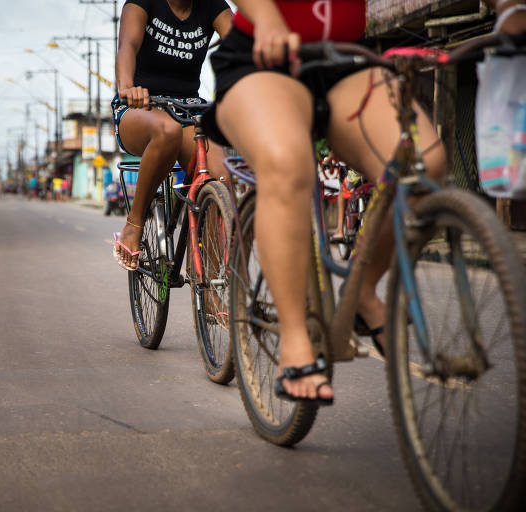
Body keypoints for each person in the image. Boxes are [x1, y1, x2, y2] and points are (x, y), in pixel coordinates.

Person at [207, 0, 449, 404]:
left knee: (422, 165)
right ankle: (296, 338)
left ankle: (363, 292)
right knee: (287, 162)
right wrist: (267, 19)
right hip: (261, 56)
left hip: (346, 59)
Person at [111, 0, 233, 270]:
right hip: (140, 107)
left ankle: (210, 285)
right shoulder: (143, 3)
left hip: (188, 109)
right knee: (167, 130)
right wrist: (127, 86)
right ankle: (134, 224)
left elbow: (238, 43)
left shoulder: (212, 6)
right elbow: (127, 46)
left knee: (223, 177)